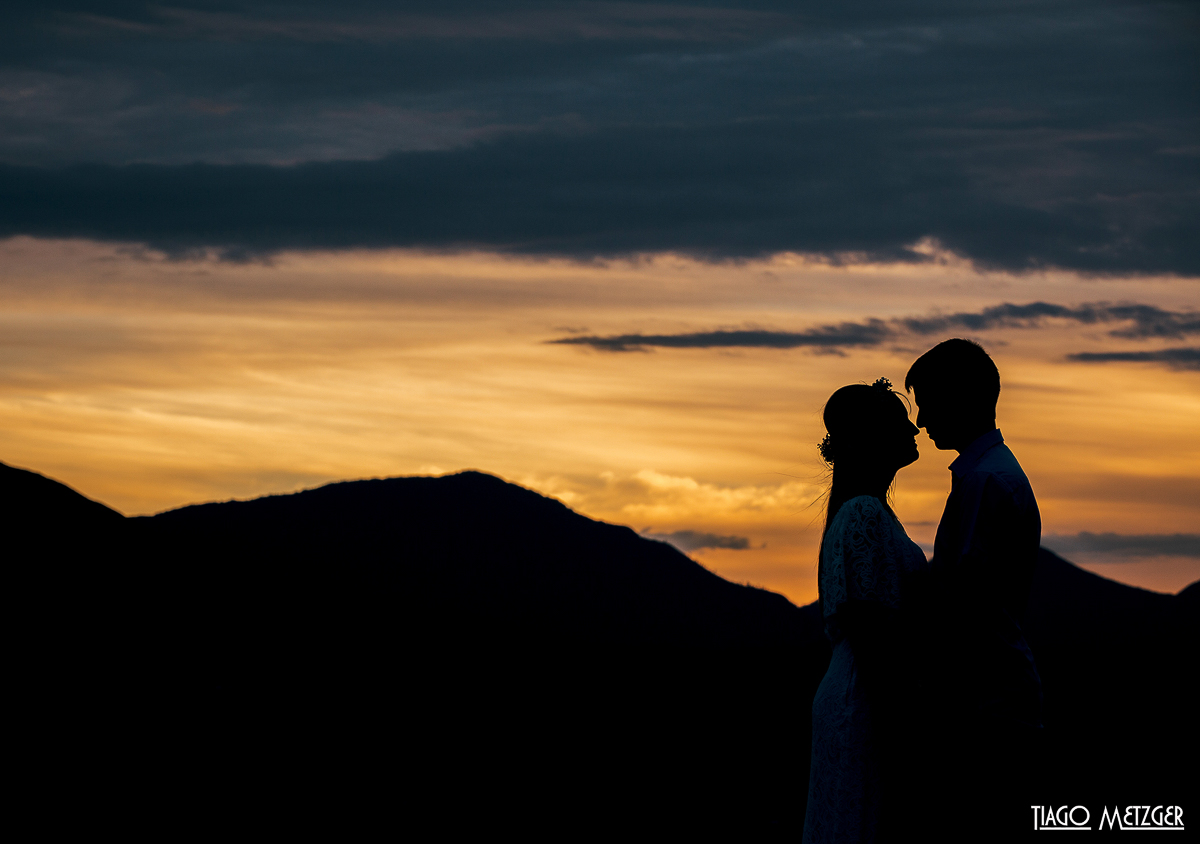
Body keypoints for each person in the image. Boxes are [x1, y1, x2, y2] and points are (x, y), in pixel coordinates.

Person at [905, 338, 1043, 826]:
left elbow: (960, 606)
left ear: (959, 398)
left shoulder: (985, 481)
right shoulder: (990, 473)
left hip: (985, 708)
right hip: (992, 698)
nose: (920, 420)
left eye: (926, 402)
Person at [802, 378, 929, 844]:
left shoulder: (866, 511)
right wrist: (904, 722)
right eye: (899, 422)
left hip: (860, 691)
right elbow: (871, 629)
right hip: (866, 698)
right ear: (872, 437)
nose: (914, 430)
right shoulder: (863, 514)